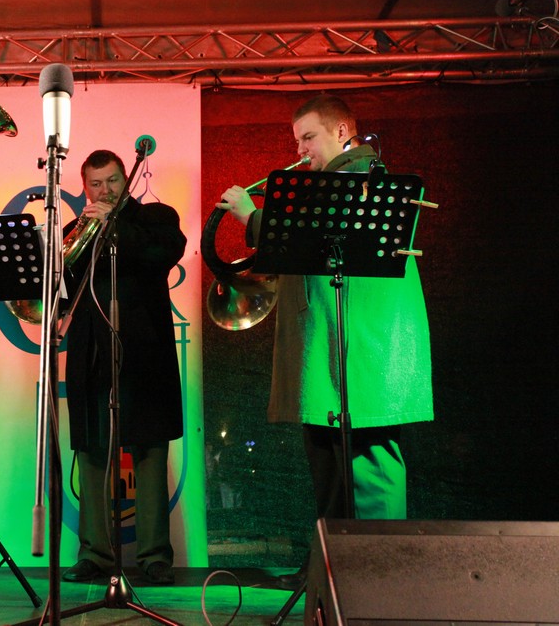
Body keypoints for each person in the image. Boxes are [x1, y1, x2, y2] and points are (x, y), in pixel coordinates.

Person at [218, 94, 433, 578]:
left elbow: (311, 235)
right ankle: (335, 571)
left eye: (308, 138)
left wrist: (252, 217)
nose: (300, 151)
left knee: (369, 465)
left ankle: (378, 575)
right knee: (331, 465)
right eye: (297, 141)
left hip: (361, 356)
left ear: (341, 132)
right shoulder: (327, 183)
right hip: (330, 356)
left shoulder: (363, 178)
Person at [61, 149, 187, 586]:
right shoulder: (73, 231)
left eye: (113, 180)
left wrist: (112, 226)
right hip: (91, 355)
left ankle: (154, 556)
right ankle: (94, 554)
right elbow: (62, 289)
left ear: (125, 180)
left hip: (145, 357)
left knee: (150, 452)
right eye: (95, 184)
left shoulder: (155, 218)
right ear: (84, 188)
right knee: (92, 451)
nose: (105, 190)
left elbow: (161, 254)